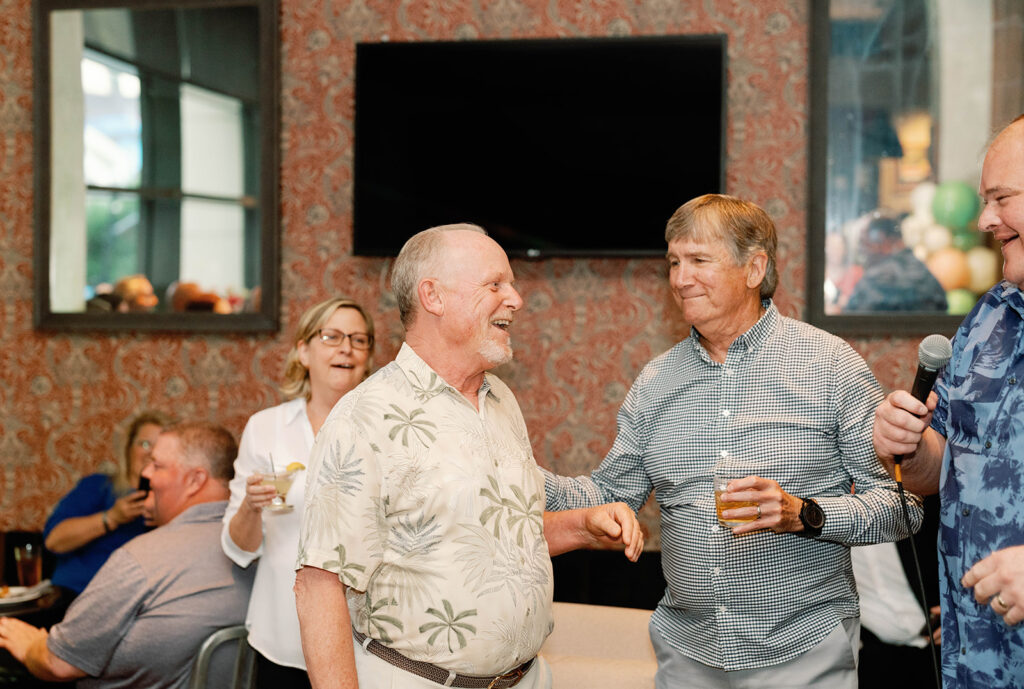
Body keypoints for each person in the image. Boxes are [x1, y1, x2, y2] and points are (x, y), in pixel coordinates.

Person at [543, 194, 920, 688]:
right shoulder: (656, 381)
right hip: (688, 654)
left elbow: (902, 506)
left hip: (803, 649)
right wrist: (514, 476)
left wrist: (802, 513)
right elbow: (610, 495)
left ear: (753, 268)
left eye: (699, 260)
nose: (680, 278)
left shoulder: (829, 366)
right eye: (674, 262)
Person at [295, 224, 644, 689]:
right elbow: (320, 586)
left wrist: (582, 526)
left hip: (528, 678)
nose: (516, 299)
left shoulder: (500, 399)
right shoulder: (364, 418)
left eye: (512, 284)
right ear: (433, 297)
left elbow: (496, 534)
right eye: (495, 284)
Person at [872, 113, 1024, 688]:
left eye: (1001, 198)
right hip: (972, 662)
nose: (984, 220)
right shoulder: (988, 318)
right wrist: (909, 445)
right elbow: (937, 473)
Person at [0, 422, 254, 689]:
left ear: (195, 480)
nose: (147, 472)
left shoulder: (142, 556)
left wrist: (29, 644)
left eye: (157, 465)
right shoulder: (262, 550)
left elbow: (58, 663)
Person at [222, 297, 376, 688]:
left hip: (365, 640)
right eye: (332, 336)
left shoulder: (385, 431)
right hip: (281, 637)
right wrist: (251, 509)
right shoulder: (266, 428)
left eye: (359, 340)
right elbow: (239, 548)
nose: (347, 348)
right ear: (303, 351)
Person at [42, 411, 171, 622]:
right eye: (145, 444)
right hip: (78, 600)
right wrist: (111, 518)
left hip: (141, 609)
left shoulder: (174, 502)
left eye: (159, 447)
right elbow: (55, 541)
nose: (150, 453)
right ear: (128, 448)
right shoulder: (98, 487)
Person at [845, 210, 948, 313]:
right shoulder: (925, 273)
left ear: (880, 238)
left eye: (864, 243)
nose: (862, 252)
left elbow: (849, 321)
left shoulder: (874, 280)